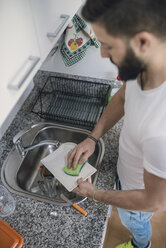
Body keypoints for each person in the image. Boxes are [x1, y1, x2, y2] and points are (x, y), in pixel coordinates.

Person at [67, 0, 166, 247]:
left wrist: (95, 194)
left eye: (107, 45)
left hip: (137, 192)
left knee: (136, 223)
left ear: (143, 42)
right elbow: (123, 96)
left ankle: (141, 244)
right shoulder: (145, 67)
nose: (102, 53)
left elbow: (154, 201)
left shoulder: (159, 131)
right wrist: (93, 136)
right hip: (129, 173)